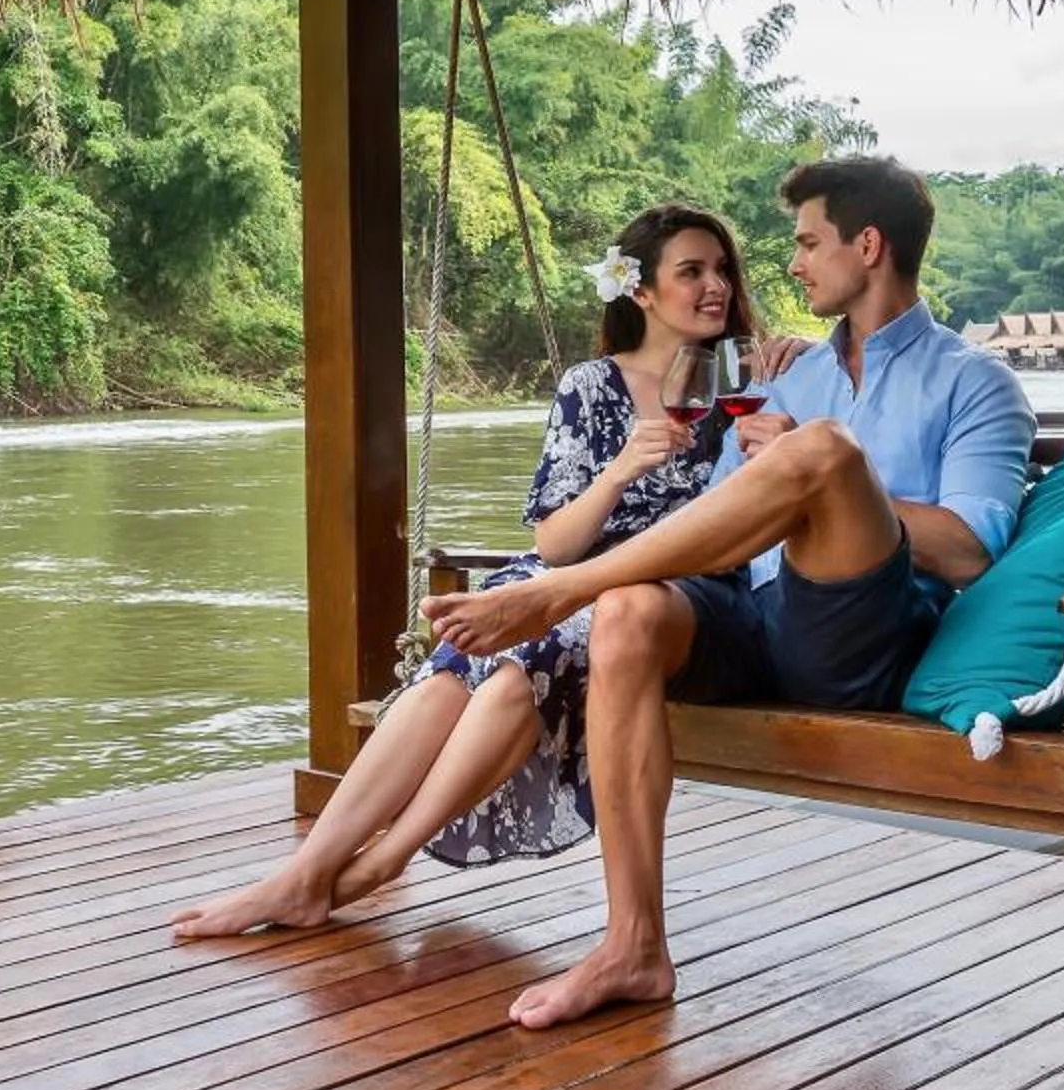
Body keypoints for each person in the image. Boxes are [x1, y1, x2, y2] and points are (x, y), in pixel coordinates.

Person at [423, 156, 1033, 1028]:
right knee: (629, 615)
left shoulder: (975, 382)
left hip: (861, 633)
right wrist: (764, 468)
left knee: (823, 453)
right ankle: (633, 946)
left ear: (868, 246)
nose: (791, 266)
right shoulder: (788, 379)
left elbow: (970, 551)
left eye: (809, 243)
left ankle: (563, 592)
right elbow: (711, 520)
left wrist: (821, 478)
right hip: (751, 611)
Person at [171, 205, 793, 939]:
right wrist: (622, 467)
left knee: (529, 654)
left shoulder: (749, 376)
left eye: (722, 270)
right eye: (692, 271)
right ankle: (306, 875)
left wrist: (790, 370)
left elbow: (820, 426)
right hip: (570, 573)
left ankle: (382, 863)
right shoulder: (590, 388)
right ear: (642, 291)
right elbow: (557, 545)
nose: (715, 285)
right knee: (457, 667)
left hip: (676, 593)